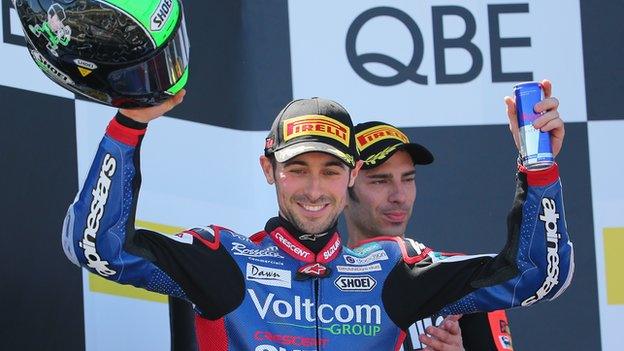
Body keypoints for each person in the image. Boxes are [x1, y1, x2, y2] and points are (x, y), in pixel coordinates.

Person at [61, 83, 573, 351]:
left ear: (350, 176)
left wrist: (538, 164)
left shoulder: (393, 273)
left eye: (330, 171)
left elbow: (538, 276)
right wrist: (129, 126)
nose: (312, 189)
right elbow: (97, 247)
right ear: (268, 170)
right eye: (296, 169)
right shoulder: (225, 261)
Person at [344, 120, 517, 351]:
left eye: (408, 179)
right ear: (342, 189)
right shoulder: (313, 287)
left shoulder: (459, 278)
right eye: (380, 180)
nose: (399, 196)